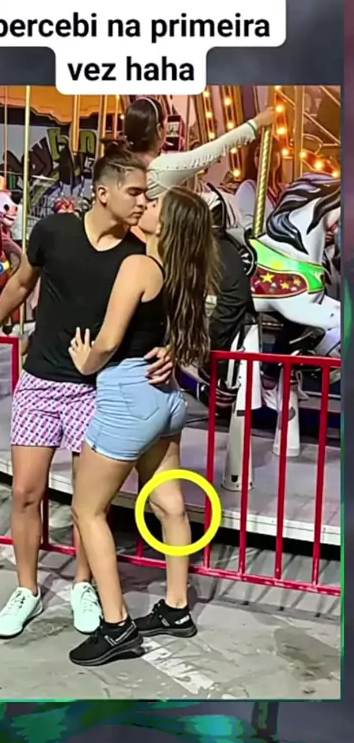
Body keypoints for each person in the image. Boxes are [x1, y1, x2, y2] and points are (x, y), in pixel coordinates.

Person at [0, 144, 173, 640]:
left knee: (88, 499)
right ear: (102, 193)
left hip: (96, 387)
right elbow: (21, 283)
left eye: (146, 194)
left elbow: (154, 317)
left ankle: (83, 584)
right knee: (25, 491)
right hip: (40, 379)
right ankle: (27, 589)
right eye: (134, 192)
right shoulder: (54, 232)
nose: (142, 202)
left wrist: (170, 350)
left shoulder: (136, 256)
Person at [67, 183, 220, 667]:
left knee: (87, 509)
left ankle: (116, 626)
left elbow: (109, 340)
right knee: (169, 503)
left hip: (129, 396)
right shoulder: (181, 273)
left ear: (166, 225)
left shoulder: (139, 266)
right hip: (167, 398)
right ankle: (176, 608)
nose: (143, 206)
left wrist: (85, 361)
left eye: (154, 205)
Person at [122, 97, 276, 195]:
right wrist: (256, 123)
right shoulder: (161, 168)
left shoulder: (128, 167)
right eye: (165, 123)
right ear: (159, 129)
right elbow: (213, 151)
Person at [235, 135, 283, 230]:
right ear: (253, 160)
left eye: (273, 150)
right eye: (259, 153)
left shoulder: (286, 189)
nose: (267, 155)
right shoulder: (248, 188)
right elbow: (248, 226)